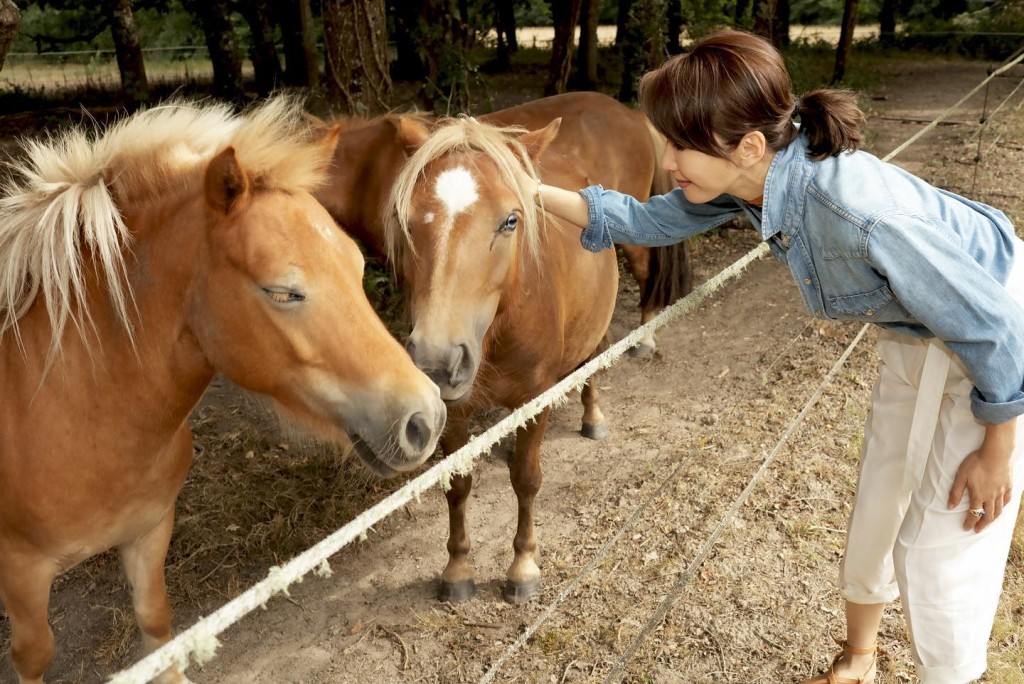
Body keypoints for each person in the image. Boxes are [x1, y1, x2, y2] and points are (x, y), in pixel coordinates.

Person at [536, 28, 1024, 684]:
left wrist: (998, 450)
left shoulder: (853, 210)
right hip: (920, 326)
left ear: (748, 145)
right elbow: (645, 222)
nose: (669, 158)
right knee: (882, 488)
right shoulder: (754, 180)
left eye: (679, 144)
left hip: (993, 330)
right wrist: (525, 189)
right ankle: (858, 656)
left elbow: (991, 325)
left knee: (940, 549)